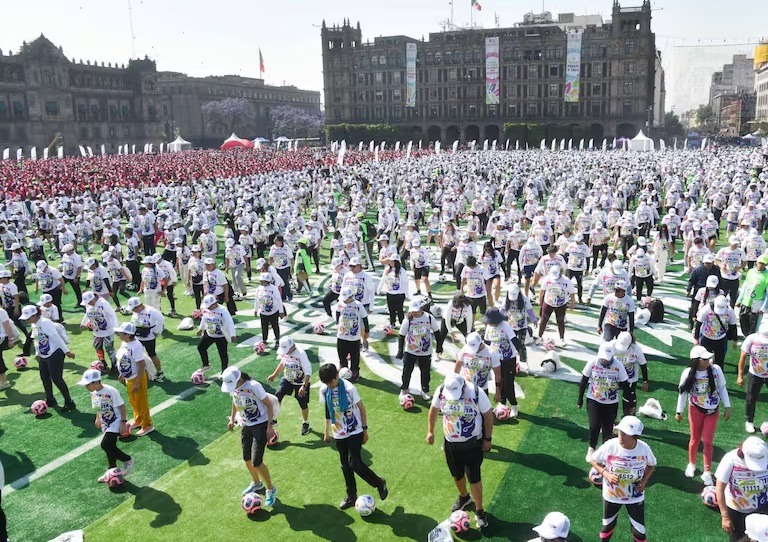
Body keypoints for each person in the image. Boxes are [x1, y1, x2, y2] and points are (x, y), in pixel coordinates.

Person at [426, 373, 493, 529]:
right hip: (450, 443)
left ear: (463, 386)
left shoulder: (476, 392)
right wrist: (430, 431)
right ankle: (464, 497)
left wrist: (487, 439)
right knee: (456, 474)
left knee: (474, 477)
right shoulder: (442, 390)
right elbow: (434, 409)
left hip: (472, 443)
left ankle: (479, 510)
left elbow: (488, 415)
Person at [318, 363, 388, 510]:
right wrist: (326, 431)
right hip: (338, 433)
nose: (329, 386)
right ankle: (351, 496)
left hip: (354, 431)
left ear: (337, 376)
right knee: (345, 465)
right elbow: (327, 411)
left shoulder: (350, 389)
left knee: (355, 463)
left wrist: (365, 429)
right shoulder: (325, 390)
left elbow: (362, 409)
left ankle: (379, 483)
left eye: (331, 382)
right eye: (326, 383)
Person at [589, 416, 656, 542]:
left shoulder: (644, 448)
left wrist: (644, 481)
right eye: (620, 431)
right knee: (607, 526)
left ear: (635, 436)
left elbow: (652, 465)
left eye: (626, 433)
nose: (621, 435)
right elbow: (593, 460)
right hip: (611, 495)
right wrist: (606, 474)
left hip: (635, 496)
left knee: (639, 533)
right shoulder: (611, 445)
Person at [222, 366, 278, 508]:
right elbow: (235, 400)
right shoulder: (235, 388)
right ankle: (257, 483)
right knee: (246, 458)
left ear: (239, 379)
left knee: (257, 462)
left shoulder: (253, 386)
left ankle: (271, 489)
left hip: (260, 425)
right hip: (246, 425)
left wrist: (270, 426)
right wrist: (232, 418)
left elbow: (269, 405)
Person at [676, 345, 731, 486]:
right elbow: (683, 393)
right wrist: (679, 411)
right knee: (694, 439)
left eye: (708, 358)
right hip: (695, 409)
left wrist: (727, 406)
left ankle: (707, 471)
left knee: (707, 441)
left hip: (712, 411)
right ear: (696, 361)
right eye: (704, 359)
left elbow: (722, 388)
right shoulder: (687, 373)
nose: (708, 360)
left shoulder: (716, 370)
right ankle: (692, 464)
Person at [76, 368, 134, 483]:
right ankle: (112, 470)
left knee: (105, 444)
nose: (86, 387)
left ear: (96, 382)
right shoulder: (93, 392)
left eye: (87, 384)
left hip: (116, 420)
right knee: (110, 447)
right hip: (106, 422)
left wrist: (123, 422)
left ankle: (128, 459)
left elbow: (122, 406)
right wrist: (98, 419)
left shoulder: (110, 391)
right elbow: (98, 408)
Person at [578, 342, 629, 462]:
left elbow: (625, 384)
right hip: (594, 400)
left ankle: (606, 451)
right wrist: (580, 399)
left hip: (611, 403)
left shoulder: (618, 366)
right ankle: (591, 448)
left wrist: (627, 403)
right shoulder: (593, 363)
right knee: (594, 425)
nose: (604, 361)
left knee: (608, 428)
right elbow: (584, 380)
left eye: (607, 358)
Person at [20, 304, 76, 411]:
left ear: (35, 315)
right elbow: (37, 339)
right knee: (45, 378)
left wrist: (67, 351)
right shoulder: (34, 324)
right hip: (44, 355)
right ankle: (50, 399)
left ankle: (69, 402)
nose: (26, 321)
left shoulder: (45, 323)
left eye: (28, 318)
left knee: (56, 378)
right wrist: (38, 353)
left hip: (55, 353)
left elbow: (56, 337)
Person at [715, 437, 768, 542]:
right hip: (737, 512)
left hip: (762, 508)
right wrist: (725, 516)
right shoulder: (730, 459)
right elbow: (720, 488)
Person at [114, 322, 154, 436]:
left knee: (142, 402)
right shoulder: (124, 342)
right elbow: (124, 359)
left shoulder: (136, 346)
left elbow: (141, 365)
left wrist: (137, 382)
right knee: (133, 400)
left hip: (137, 378)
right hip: (129, 377)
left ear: (127, 334)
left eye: (120, 333)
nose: (118, 334)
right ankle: (138, 419)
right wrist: (123, 373)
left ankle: (147, 424)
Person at [397, 297, 440, 401]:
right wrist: (400, 350)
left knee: (425, 372)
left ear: (421, 308)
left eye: (416, 311)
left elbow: (437, 332)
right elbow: (401, 335)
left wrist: (439, 347)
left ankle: (425, 390)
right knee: (407, 371)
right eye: (413, 311)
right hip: (410, 350)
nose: (414, 313)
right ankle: (404, 389)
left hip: (426, 351)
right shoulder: (408, 319)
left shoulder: (429, 318)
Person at [267, 337, 312, 436]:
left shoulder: (301, 354)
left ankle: (306, 423)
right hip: (287, 379)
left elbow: (308, 372)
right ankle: (273, 418)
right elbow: (282, 363)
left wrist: (304, 386)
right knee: (278, 395)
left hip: (301, 383)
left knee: (303, 404)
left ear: (292, 347)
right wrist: (274, 375)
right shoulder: (286, 353)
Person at [482, 310, 519, 416]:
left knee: (508, 383)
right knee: (499, 381)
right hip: (496, 359)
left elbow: (514, 340)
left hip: (509, 359)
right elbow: (487, 342)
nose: (489, 324)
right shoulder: (489, 328)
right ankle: (502, 403)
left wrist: (521, 352)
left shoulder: (505, 326)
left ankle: (514, 405)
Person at [738, 321, 768, 434]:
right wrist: (740, 375)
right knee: (751, 398)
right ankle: (749, 421)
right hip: (755, 374)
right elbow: (743, 357)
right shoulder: (751, 339)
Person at [80, 290, 120, 375]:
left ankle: (114, 366)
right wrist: (83, 323)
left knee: (109, 348)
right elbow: (87, 313)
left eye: (89, 302)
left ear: (93, 299)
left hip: (108, 330)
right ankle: (102, 363)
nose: (88, 304)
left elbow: (112, 314)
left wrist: (116, 328)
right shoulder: (89, 305)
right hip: (97, 330)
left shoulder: (103, 303)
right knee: (97, 346)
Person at [127, 297, 166, 382]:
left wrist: (157, 331)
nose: (133, 310)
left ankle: (159, 372)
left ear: (139, 306)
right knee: (135, 355)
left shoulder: (151, 311)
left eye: (134, 308)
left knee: (152, 354)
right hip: (137, 336)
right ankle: (138, 372)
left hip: (149, 337)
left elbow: (161, 319)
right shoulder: (135, 312)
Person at [536, 266, 576, 348]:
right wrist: (540, 299)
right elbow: (542, 289)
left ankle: (562, 338)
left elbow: (572, 292)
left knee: (560, 321)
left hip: (561, 304)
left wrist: (572, 303)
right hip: (548, 302)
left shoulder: (566, 280)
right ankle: (540, 337)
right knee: (543, 320)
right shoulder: (548, 279)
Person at [695, 295, 738, 369]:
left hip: (721, 338)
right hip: (706, 337)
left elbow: (733, 325)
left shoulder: (730, 310)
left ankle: (717, 376)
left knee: (719, 361)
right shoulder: (707, 308)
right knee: (704, 359)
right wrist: (696, 338)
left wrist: (735, 340)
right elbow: (699, 323)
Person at [335, 287, 368, 382]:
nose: (344, 301)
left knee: (355, 356)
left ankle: (354, 370)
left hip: (354, 337)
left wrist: (367, 331)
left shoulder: (358, 305)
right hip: (341, 335)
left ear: (351, 296)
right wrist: (337, 324)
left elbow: (365, 318)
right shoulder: (340, 303)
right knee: (341, 354)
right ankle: (343, 368)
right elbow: (338, 312)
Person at [197, 294, 236, 373]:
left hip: (221, 336)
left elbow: (229, 322)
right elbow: (204, 318)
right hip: (209, 334)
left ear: (214, 303)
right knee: (201, 347)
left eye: (209, 306)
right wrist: (200, 329)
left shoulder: (223, 310)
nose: (208, 307)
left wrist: (232, 334)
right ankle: (206, 364)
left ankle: (224, 370)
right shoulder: (206, 309)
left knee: (222, 354)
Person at [613, 331, 648, 416]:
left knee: (629, 398)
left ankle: (628, 417)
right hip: (613, 378)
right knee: (610, 397)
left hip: (630, 379)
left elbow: (643, 364)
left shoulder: (636, 349)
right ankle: (610, 419)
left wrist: (645, 381)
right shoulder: (611, 345)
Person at [736, 254, 768, 338]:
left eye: (762, 263)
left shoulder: (767, 275)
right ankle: (746, 335)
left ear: (766, 264)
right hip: (746, 301)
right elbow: (745, 286)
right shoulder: (751, 272)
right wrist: (739, 299)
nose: (760, 265)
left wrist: (763, 307)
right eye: (759, 263)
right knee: (743, 319)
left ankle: (750, 339)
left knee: (753, 323)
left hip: (757, 303)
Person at [253, 272, 286, 350]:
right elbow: (257, 299)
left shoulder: (273, 289)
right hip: (263, 312)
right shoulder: (259, 289)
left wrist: (281, 311)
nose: (261, 282)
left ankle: (277, 340)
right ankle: (264, 340)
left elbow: (278, 300)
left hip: (273, 312)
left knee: (275, 326)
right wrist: (255, 309)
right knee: (264, 327)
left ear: (267, 281)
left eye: (263, 281)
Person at [377, 254, 409, 327]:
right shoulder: (387, 269)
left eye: (393, 261)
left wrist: (406, 294)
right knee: (391, 310)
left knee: (400, 310)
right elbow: (383, 279)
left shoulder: (402, 270)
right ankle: (392, 323)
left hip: (399, 294)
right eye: (390, 261)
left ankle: (402, 324)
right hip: (389, 293)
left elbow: (405, 282)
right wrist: (379, 289)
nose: (391, 262)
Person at [0, 304, 15, 390]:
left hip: (2, 336)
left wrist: (10, 339)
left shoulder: (1, 312)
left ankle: (4, 381)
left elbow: (7, 326)